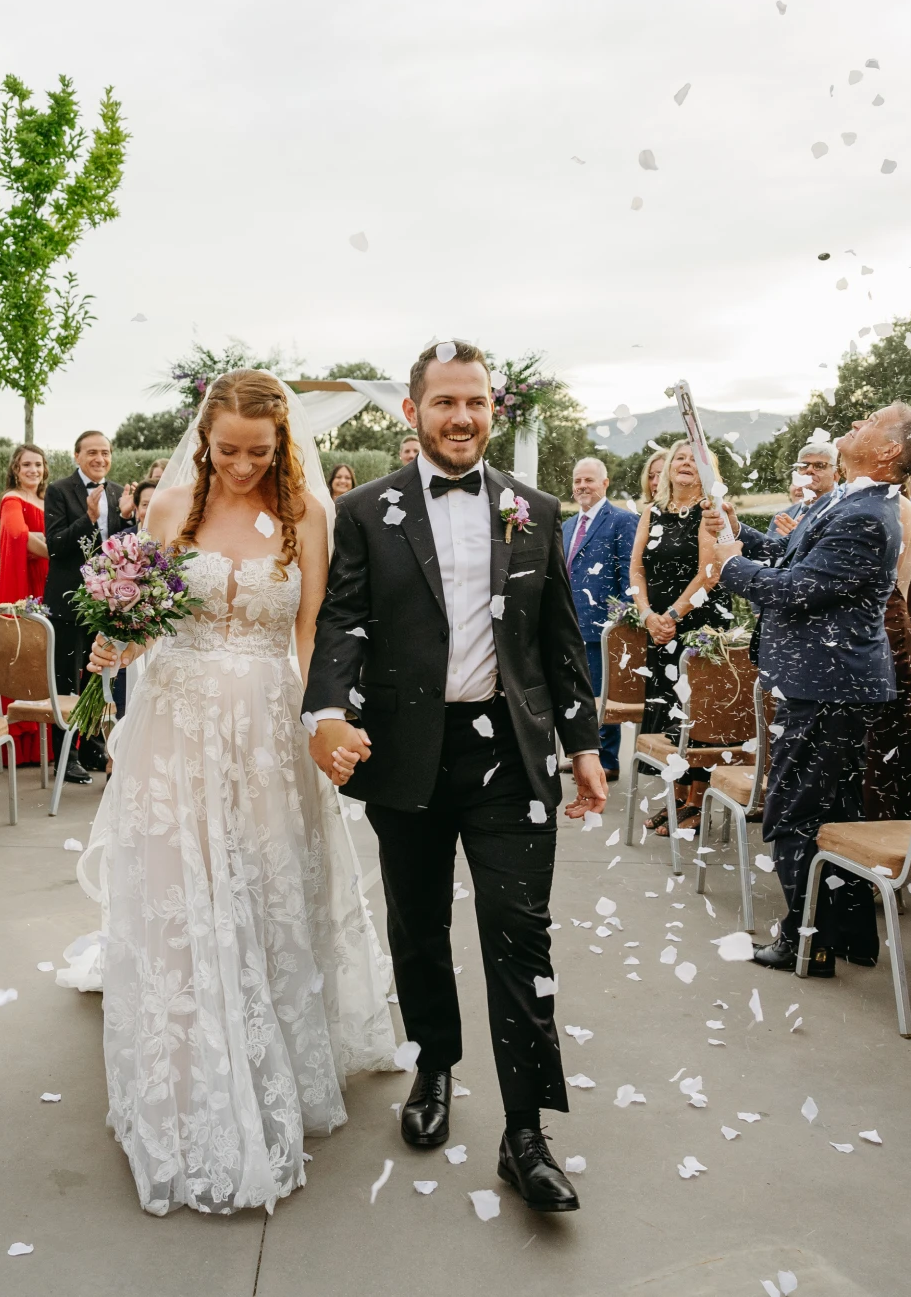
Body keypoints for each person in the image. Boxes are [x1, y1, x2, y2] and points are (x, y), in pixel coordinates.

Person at [76, 369, 397, 1217]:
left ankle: (276, 1051)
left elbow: (314, 633)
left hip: (264, 725)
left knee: (261, 881)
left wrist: (319, 722)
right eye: (229, 450)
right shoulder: (166, 507)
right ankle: (185, 1062)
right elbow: (140, 618)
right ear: (204, 437)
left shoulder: (307, 516)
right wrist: (115, 643)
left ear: (283, 441)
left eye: (261, 451)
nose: (245, 465)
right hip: (174, 722)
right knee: (182, 885)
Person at [307, 339, 606, 1215]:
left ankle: (525, 1133)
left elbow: (558, 639)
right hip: (407, 753)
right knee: (420, 923)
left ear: (492, 408)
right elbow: (343, 622)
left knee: (522, 934)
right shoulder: (364, 511)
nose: (463, 417)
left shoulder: (535, 508)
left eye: (475, 401)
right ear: (412, 412)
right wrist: (328, 712)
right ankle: (433, 1065)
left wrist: (583, 745)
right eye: (445, 402)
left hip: (510, 755)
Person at [699, 402, 911, 976]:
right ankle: (848, 934)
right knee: (836, 813)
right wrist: (736, 529)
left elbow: (800, 588)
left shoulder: (867, 514)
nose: (854, 425)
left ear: (887, 452)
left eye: (869, 424)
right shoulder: (850, 498)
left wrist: (729, 567)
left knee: (795, 812)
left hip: (830, 687)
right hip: (831, 684)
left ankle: (809, 938)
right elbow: (790, 555)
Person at [629, 441, 738, 829]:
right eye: (680, 457)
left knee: (697, 713)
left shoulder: (710, 512)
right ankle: (675, 795)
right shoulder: (652, 511)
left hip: (699, 626)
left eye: (695, 460)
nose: (685, 464)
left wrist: (673, 615)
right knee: (667, 709)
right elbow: (637, 568)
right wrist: (647, 615)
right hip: (659, 625)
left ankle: (696, 799)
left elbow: (710, 572)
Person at [43, 429, 124, 784]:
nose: (100, 459)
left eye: (105, 452)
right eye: (92, 452)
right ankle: (65, 755)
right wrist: (88, 520)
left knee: (97, 679)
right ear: (77, 456)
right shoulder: (59, 491)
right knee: (66, 680)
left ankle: (91, 747)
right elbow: (56, 546)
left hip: (106, 603)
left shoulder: (120, 492)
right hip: (68, 604)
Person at [564, 457, 633, 777]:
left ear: (605, 483)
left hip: (600, 628)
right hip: (567, 626)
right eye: (578, 481)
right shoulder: (565, 527)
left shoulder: (621, 521)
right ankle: (582, 753)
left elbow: (628, 578)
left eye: (589, 480)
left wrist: (620, 627)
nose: (582, 486)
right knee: (574, 696)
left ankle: (607, 761)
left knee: (600, 697)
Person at [0, 443, 51, 767]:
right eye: (27, 464)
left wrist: (42, 539)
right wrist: (55, 549)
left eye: (38, 464)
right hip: (28, 587)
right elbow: (18, 535)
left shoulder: (46, 500)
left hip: (48, 584)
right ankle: (23, 745)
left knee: (46, 662)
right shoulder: (11, 499)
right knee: (25, 658)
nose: (33, 470)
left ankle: (48, 745)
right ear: (16, 469)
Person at [775, 439, 839, 534]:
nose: (809, 470)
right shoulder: (782, 516)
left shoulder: (843, 513)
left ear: (836, 475)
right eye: (804, 465)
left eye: (819, 465)